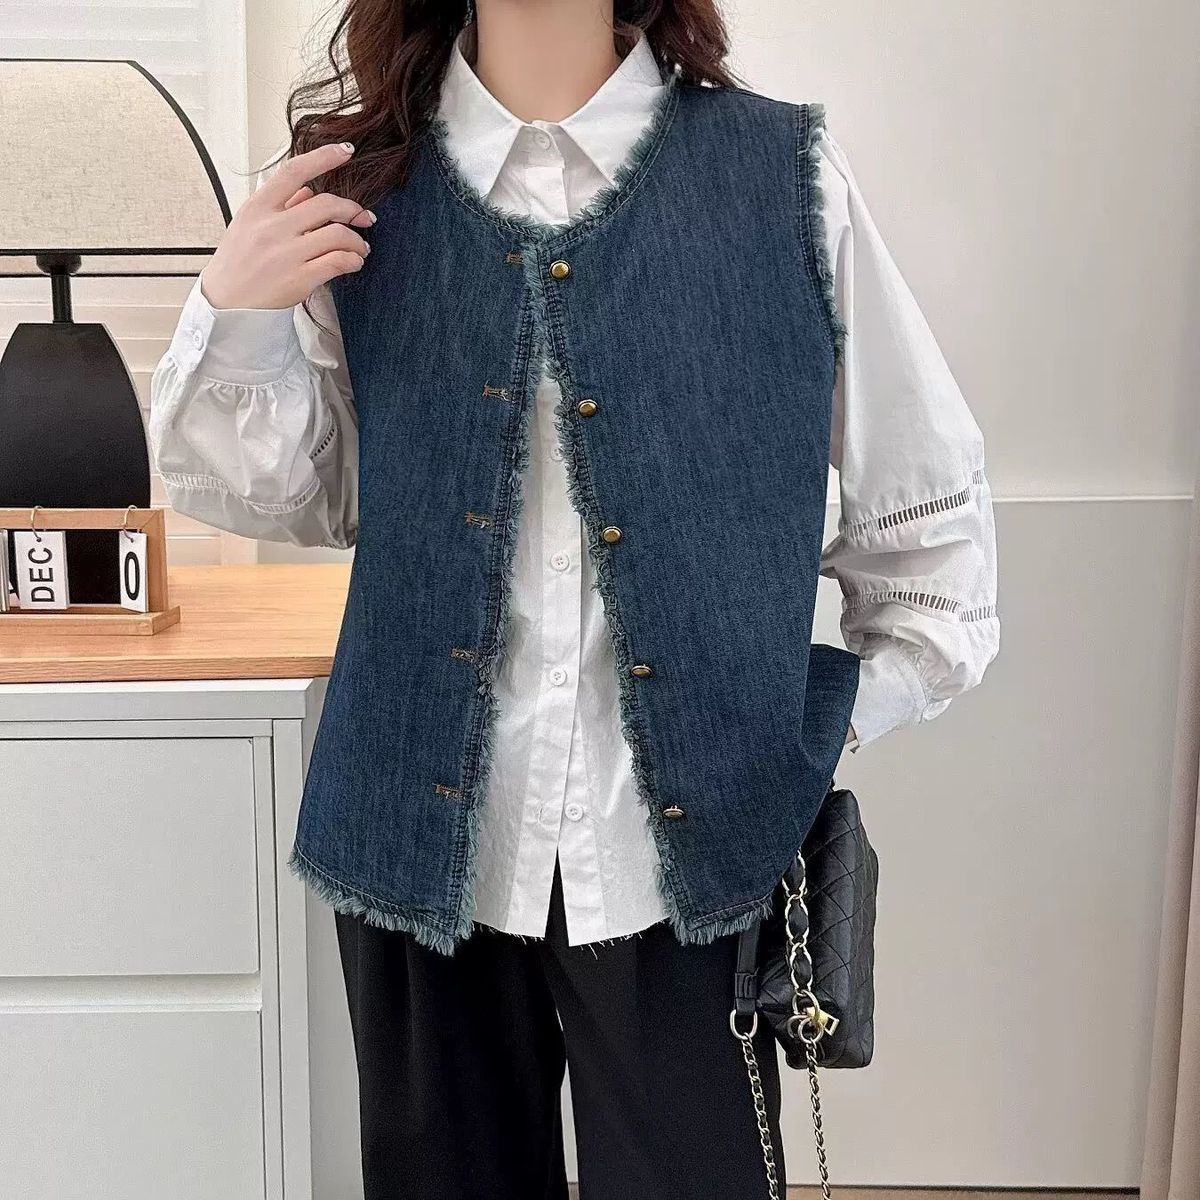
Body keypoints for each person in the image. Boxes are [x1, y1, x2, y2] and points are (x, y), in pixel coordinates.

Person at [150, 2, 999, 1196]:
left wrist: (801, 731)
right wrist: (236, 313)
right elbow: (309, 497)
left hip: (681, 856)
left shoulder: (785, 175)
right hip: (410, 838)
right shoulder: (356, 188)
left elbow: (932, 542)